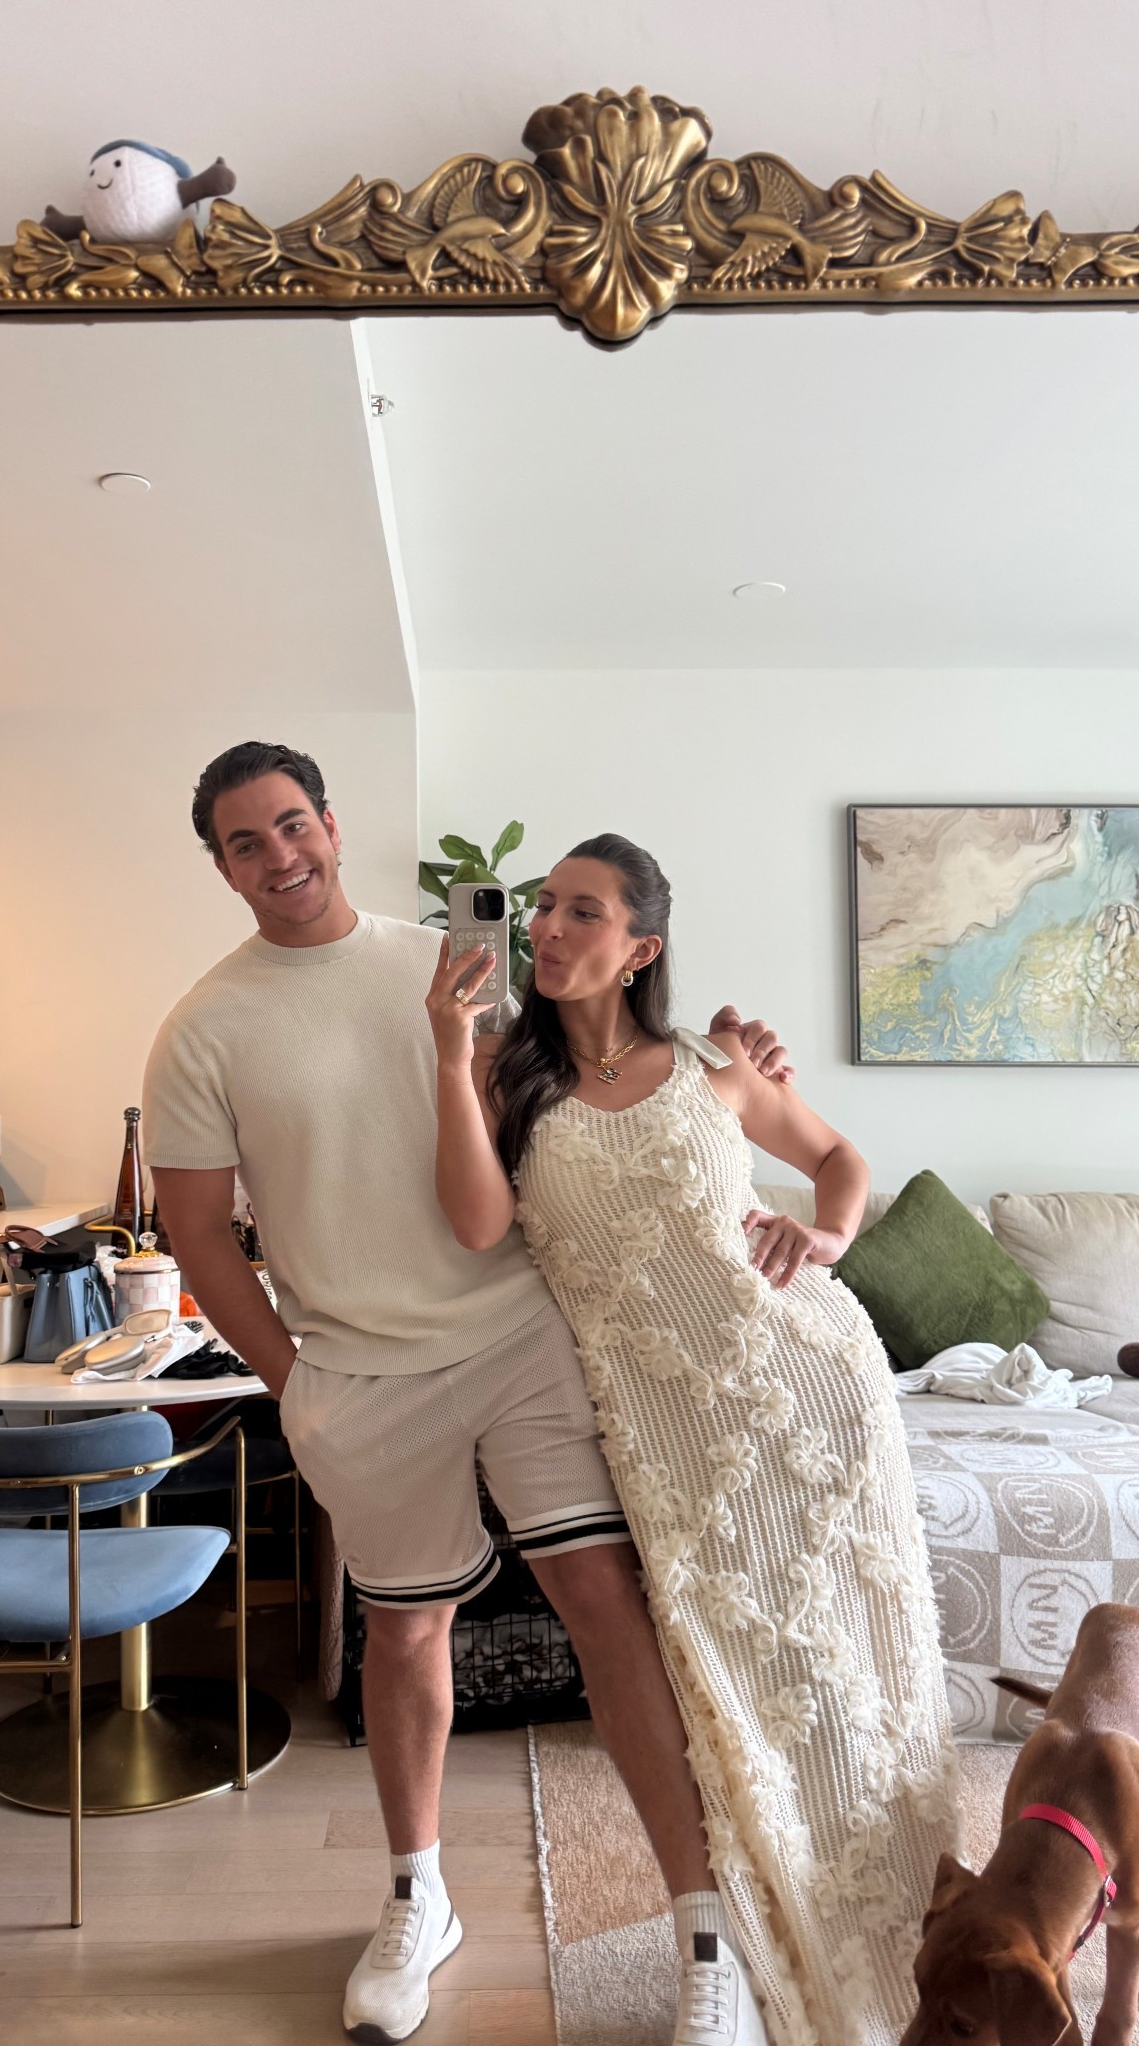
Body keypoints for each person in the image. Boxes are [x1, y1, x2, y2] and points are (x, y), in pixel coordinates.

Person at [143, 742, 792, 2046]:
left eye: (291, 825)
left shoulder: (459, 965)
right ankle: (415, 1897)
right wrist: (295, 1382)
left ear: (333, 824)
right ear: (221, 868)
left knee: (605, 1603)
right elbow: (199, 1234)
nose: (279, 857)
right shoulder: (202, 1028)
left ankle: (703, 1935)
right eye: (245, 843)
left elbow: (608, 1067)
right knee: (404, 1632)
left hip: (516, 1334)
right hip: (358, 1373)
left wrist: (742, 1070)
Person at [427, 832, 960, 2046]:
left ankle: (919, 1928)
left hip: (813, 1390)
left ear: (640, 947)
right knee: (733, 1683)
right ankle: (740, 1945)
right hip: (671, 1433)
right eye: (545, 906)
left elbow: (840, 1160)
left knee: (850, 1669)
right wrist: (452, 1056)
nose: (549, 926)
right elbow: (474, 1224)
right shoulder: (508, 1074)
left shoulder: (716, 1064)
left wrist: (827, 1237)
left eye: (583, 910)